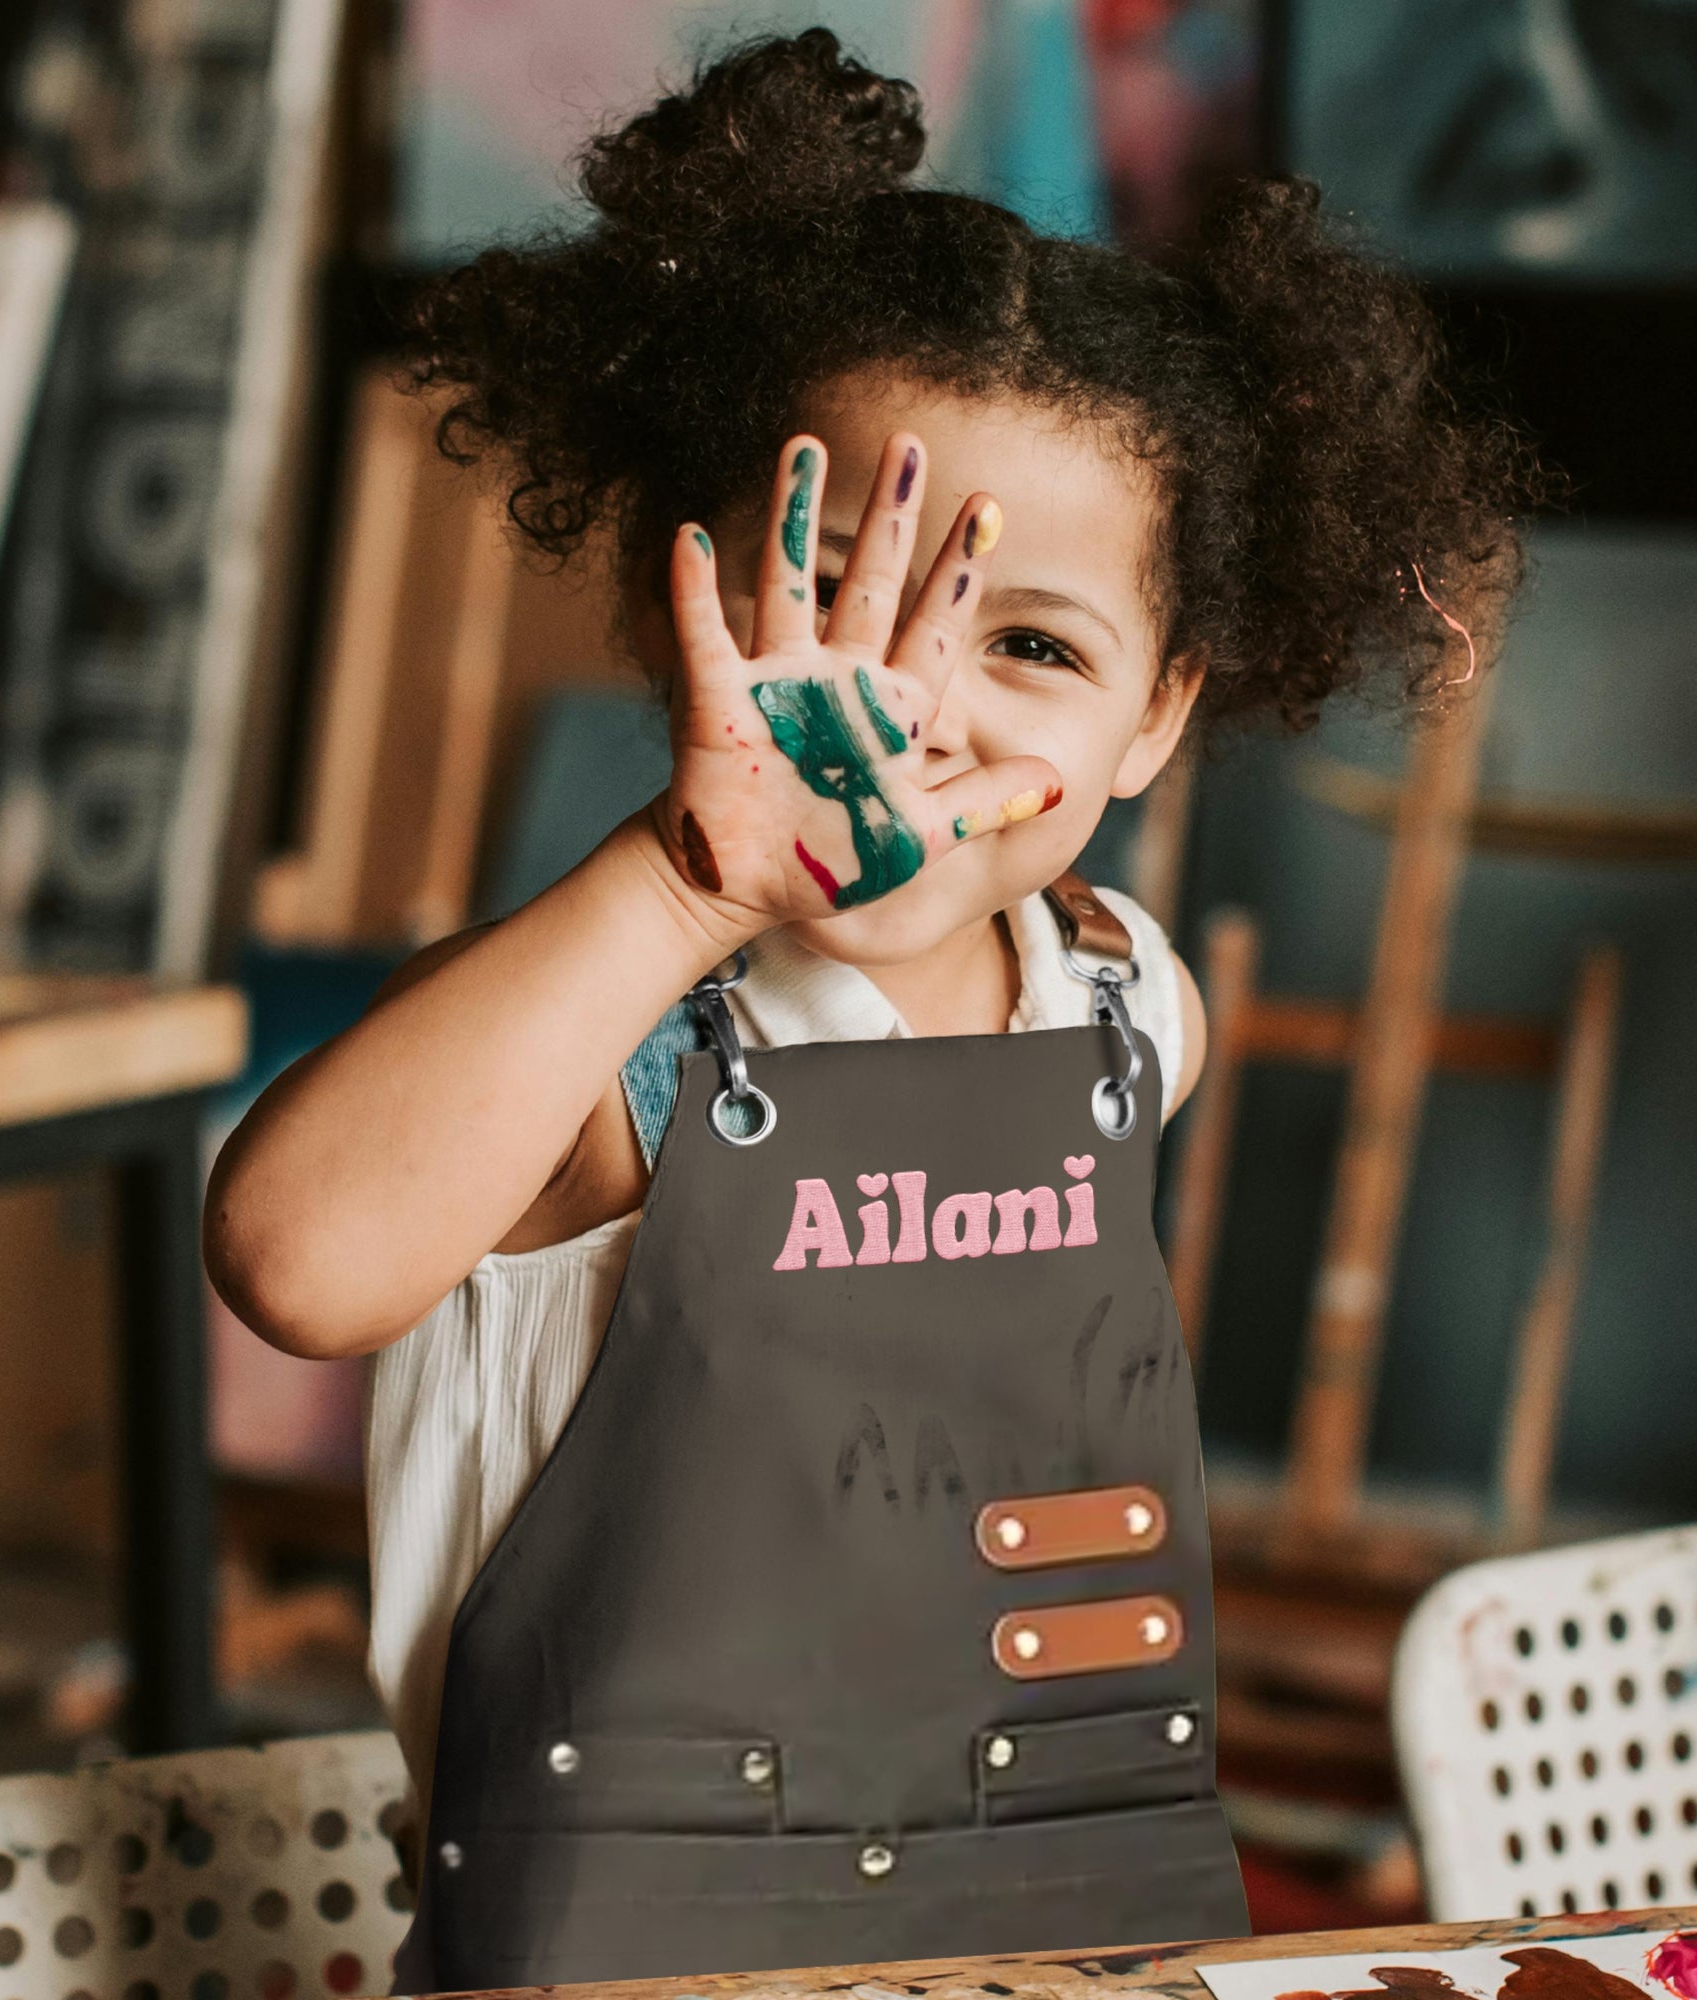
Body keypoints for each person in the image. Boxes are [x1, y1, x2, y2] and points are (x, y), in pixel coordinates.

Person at [204, 27, 1536, 1991]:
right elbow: (293, 1260)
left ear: (1158, 713)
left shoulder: (1120, 1006)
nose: (913, 705)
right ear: (690, 611)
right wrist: (683, 880)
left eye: (1028, 642)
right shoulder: (606, 1033)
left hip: (1043, 1932)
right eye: (833, 598)